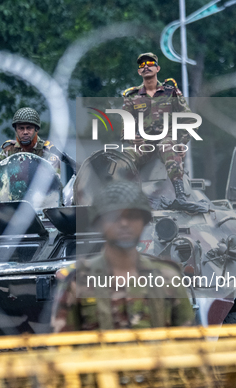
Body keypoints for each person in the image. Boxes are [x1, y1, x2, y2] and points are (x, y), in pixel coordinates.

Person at [51, 181, 195, 332]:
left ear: (144, 222)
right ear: (100, 224)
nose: (124, 223)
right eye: (114, 217)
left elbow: (190, 344)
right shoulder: (76, 280)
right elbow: (63, 347)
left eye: (132, 216)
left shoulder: (168, 278)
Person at [122, 52, 207, 213]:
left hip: (166, 139)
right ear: (139, 72)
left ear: (157, 68)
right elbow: (125, 126)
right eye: (142, 65)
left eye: (150, 63)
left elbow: (190, 119)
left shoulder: (170, 91)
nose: (146, 66)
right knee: (123, 156)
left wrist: (181, 142)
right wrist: (133, 139)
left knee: (167, 146)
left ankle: (180, 197)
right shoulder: (132, 96)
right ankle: (129, 198)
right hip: (144, 143)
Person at [0, 107, 61, 174]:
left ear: (36, 129)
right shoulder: (8, 152)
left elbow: (54, 182)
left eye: (29, 128)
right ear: (16, 130)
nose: (25, 132)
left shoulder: (48, 153)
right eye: (21, 128)